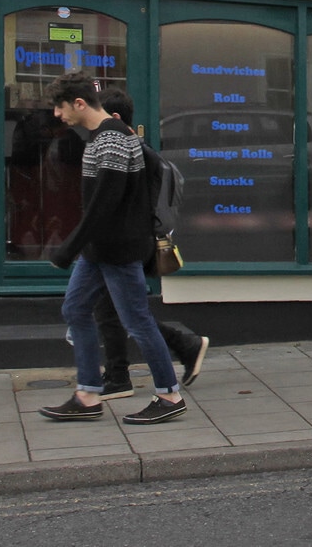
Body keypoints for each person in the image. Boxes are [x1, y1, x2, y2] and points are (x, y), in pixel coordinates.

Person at [37, 75, 187, 425]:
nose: (57, 115)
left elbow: (105, 205)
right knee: (75, 309)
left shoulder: (113, 141)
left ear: (78, 103)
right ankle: (88, 395)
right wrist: (80, 247)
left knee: (137, 321)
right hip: (98, 250)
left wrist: (66, 248)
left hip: (118, 250)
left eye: (60, 107)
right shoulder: (100, 139)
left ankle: (169, 394)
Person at [92, 89, 208, 397]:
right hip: (126, 243)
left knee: (127, 312)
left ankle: (167, 364)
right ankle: (120, 375)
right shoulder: (134, 150)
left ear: (115, 119)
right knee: (113, 309)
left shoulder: (134, 154)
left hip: (129, 245)